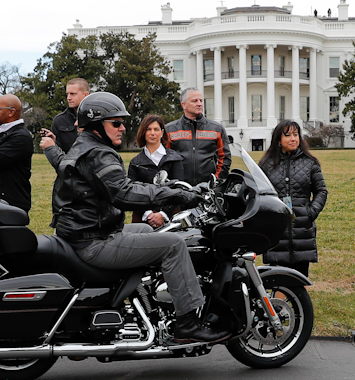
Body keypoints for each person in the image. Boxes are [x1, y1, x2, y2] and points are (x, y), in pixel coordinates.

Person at [42, 92, 230, 343]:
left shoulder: (87, 147)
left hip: (85, 233)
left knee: (148, 231)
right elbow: (124, 193)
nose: (123, 128)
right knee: (173, 245)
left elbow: (119, 184)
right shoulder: (98, 153)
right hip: (94, 241)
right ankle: (187, 323)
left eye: (122, 122)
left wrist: (173, 187)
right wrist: (177, 197)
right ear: (97, 125)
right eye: (116, 123)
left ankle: (145, 304)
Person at [258, 120, 328, 277]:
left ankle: (298, 301)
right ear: (278, 139)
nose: (293, 139)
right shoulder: (266, 164)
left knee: (299, 277)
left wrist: (310, 213)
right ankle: (279, 302)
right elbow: (259, 193)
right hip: (277, 228)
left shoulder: (310, 163)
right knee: (278, 276)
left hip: (302, 228)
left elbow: (321, 191)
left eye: (296, 135)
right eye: (288, 135)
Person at [127, 114, 184, 228]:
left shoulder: (175, 158)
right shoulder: (135, 163)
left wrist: (163, 214)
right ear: (143, 132)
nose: (152, 133)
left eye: (156, 129)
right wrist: (148, 214)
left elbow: (179, 190)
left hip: (170, 218)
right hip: (142, 219)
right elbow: (131, 192)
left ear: (162, 132)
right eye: (148, 129)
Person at [165, 87, 231, 186]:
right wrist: (172, 183)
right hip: (179, 189)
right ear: (184, 105)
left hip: (208, 189)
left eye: (201, 100)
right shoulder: (170, 130)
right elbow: (164, 159)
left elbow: (225, 158)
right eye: (194, 101)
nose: (199, 103)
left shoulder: (216, 129)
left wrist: (217, 180)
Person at [51, 78, 90, 153]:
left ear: (86, 95)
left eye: (73, 94)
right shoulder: (59, 121)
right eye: (67, 94)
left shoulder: (99, 117)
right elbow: (57, 153)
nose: (68, 98)